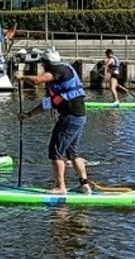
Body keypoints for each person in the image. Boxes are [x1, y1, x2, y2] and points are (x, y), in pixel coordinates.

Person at [17, 47, 90, 194]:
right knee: (72, 153)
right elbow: (49, 103)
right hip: (78, 117)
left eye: (43, 63)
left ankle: (60, 187)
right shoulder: (60, 75)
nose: (42, 66)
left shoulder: (59, 70)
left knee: (55, 151)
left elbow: (37, 81)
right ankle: (84, 185)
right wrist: (28, 115)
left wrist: (21, 77)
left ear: (47, 63)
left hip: (71, 117)